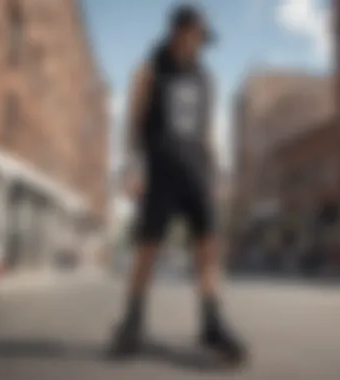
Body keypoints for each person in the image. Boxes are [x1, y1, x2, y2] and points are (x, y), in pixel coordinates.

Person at [109, 4, 246, 362]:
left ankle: (211, 322)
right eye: (195, 36)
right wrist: (131, 168)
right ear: (178, 31)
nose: (199, 44)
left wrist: (218, 175)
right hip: (161, 172)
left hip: (197, 173)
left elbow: (208, 133)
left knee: (208, 247)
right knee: (147, 248)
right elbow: (134, 120)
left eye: (203, 39)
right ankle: (133, 321)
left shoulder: (207, 78)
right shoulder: (150, 69)